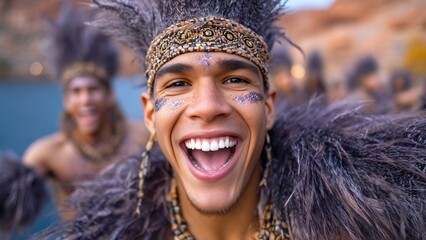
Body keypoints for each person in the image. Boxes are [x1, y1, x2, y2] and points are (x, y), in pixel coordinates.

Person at [37, 0, 425, 239]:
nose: (207, 106)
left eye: (235, 79)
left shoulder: (355, 227)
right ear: (151, 114)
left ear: (269, 106)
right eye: (178, 84)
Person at [0, 2, 149, 231]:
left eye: (93, 89)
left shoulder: (143, 137)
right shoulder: (49, 153)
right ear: (66, 101)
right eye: (75, 92)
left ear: (109, 94)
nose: (85, 100)